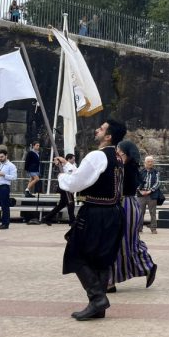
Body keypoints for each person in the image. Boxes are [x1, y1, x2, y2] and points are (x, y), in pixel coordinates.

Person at [57, 119, 126, 321]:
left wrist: (63, 176)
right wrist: (68, 166)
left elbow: (76, 183)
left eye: (102, 128)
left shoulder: (98, 155)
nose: (97, 129)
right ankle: (98, 306)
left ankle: (97, 299)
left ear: (108, 136)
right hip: (113, 212)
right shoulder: (117, 157)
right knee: (101, 260)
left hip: (95, 213)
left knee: (75, 255)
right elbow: (89, 176)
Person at [107, 140, 157, 292]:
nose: (117, 154)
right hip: (125, 205)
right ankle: (112, 280)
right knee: (125, 243)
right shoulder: (128, 167)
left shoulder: (126, 169)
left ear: (126, 154)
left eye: (119, 152)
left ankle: (111, 281)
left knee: (123, 244)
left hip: (125, 206)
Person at [43, 153, 77, 226]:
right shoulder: (66, 164)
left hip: (69, 187)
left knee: (61, 205)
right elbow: (58, 158)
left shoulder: (73, 166)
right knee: (71, 204)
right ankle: (72, 221)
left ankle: (47, 218)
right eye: (73, 159)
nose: (74, 160)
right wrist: (57, 161)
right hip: (65, 188)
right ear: (68, 159)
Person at [137, 155, 160, 234]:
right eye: (148, 162)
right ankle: (139, 228)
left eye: (151, 161)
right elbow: (136, 181)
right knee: (140, 212)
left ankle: (153, 228)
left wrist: (150, 191)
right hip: (141, 195)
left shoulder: (156, 172)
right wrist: (140, 191)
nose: (150, 163)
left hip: (152, 195)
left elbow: (158, 183)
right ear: (145, 163)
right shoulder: (140, 171)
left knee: (153, 212)